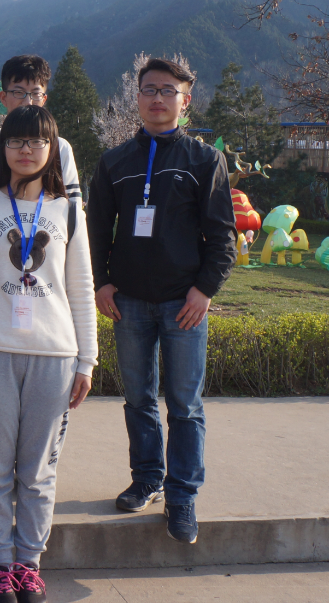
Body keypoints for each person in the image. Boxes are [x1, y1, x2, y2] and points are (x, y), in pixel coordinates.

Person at [0, 105, 97, 603]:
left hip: (54, 356)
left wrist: (87, 360)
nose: (26, 150)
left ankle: (28, 565)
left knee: (37, 471)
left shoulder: (68, 212)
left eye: (37, 141)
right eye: (16, 141)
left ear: (53, 149)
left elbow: (81, 288)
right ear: (2, 148)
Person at [87, 57, 236, 546]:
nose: (157, 98)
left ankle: (182, 495)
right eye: (149, 89)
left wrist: (204, 290)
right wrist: (102, 282)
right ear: (137, 97)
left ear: (184, 101)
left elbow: (223, 236)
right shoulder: (114, 162)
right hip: (128, 303)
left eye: (167, 91)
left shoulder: (204, 160)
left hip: (183, 304)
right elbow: (95, 230)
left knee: (185, 406)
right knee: (138, 399)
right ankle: (147, 478)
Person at [0, 55, 82, 206]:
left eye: (35, 94)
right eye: (19, 92)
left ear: (44, 100)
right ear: (3, 97)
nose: (28, 102)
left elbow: (73, 206)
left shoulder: (59, 147)